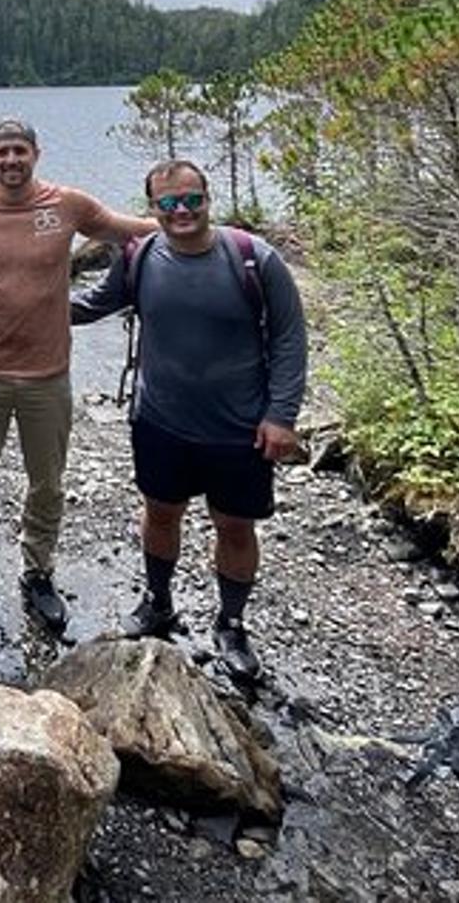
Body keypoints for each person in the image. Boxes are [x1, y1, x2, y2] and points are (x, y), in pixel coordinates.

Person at [70, 160, 309, 681]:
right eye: (169, 204)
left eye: (191, 200)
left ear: (208, 198)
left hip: (238, 427)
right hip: (160, 420)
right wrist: (19, 304)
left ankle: (231, 623)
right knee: (160, 513)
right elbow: (93, 305)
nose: (182, 212)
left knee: (235, 525)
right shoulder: (140, 257)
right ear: (153, 208)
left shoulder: (252, 259)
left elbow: (290, 338)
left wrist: (281, 415)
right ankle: (158, 602)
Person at [0, 117, 156, 631]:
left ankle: (38, 572)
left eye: (20, 151)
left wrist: (187, 224)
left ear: (36, 153)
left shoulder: (67, 205)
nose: (11, 160)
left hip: (48, 374)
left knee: (48, 483)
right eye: (2, 152)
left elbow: (125, 229)